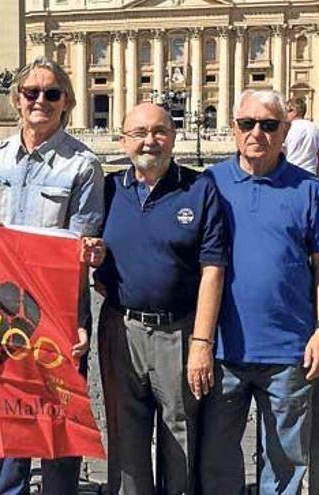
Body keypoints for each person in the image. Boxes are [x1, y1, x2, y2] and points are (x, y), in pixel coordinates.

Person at [0, 57, 104, 494]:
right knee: (7, 419)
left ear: (67, 102)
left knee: (58, 422)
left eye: (51, 93)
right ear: (17, 99)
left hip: (55, 314)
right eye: (32, 93)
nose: (40, 101)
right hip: (0, 312)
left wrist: (78, 322)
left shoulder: (81, 165)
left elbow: (79, 249)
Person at [199, 89, 319, 494]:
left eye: (268, 125)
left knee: (284, 466)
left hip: (288, 349)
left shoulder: (309, 188)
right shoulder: (211, 183)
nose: (256, 132)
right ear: (233, 129)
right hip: (223, 349)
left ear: (285, 130)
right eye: (247, 123)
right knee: (217, 463)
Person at [93, 103, 226, 494]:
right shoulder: (109, 188)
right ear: (123, 140)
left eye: (159, 131)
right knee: (124, 435)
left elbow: (213, 269)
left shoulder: (200, 188)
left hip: (179, 330)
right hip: (121, 326)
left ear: (174, 136)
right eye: (139, 133)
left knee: (180, 434)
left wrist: (202, 342)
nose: (149, 141)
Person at [283, 97, 319, 179]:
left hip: (291, 176)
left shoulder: (287, 128)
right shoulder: (316, 128)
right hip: (311, 175)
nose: (284, 115)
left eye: (286, 111)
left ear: (294, 112)